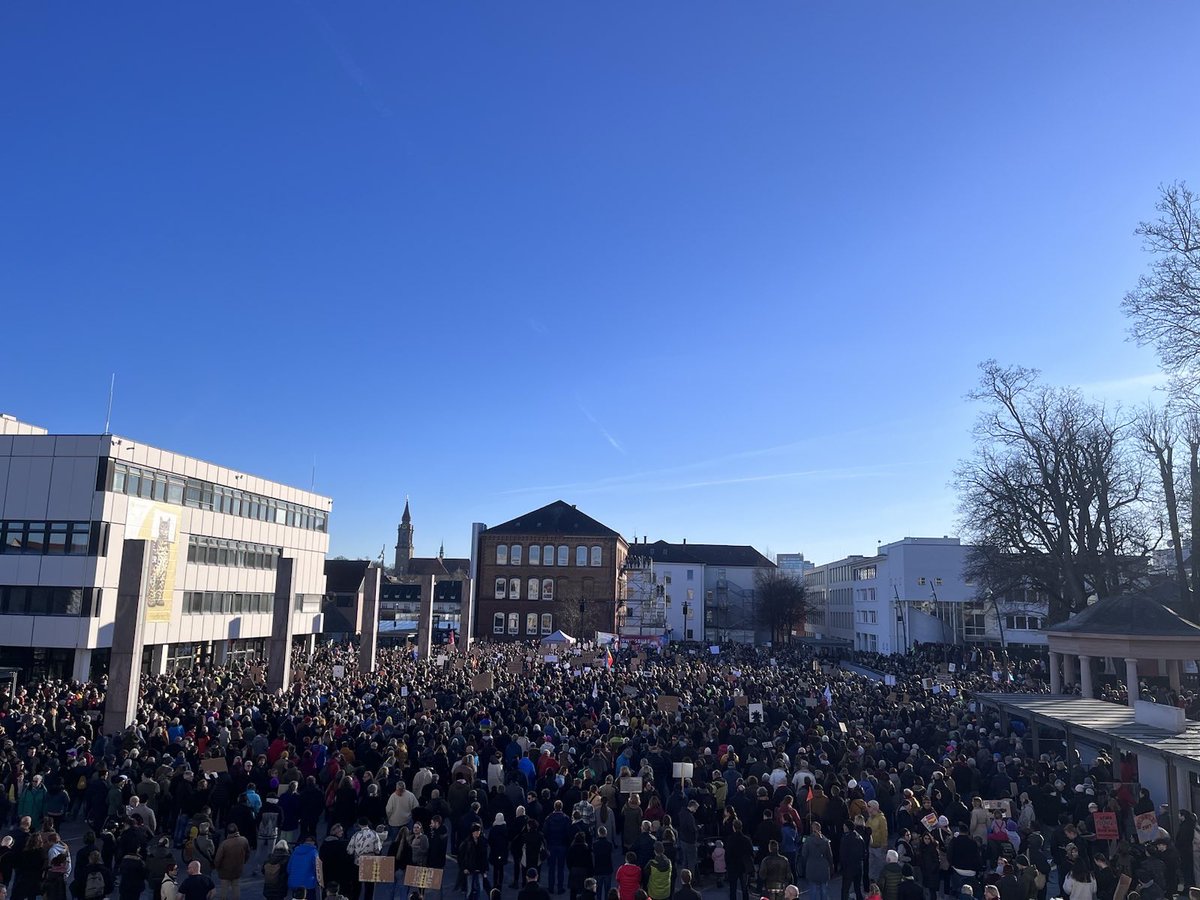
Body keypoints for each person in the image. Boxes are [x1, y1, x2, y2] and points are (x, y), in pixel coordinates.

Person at [213, 825, 250, 900]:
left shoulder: (224, 844)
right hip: (238, 869)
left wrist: (217, 867)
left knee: (224, 889)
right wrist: (243, 862)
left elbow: (217, 859)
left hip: (225, 870)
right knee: (236, 886)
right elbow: (248, 853)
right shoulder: (244, 840)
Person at [803, 822, 834, 900]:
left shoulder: (808, 841)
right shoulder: (825, 841)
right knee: (824, 890)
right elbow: (830, 856)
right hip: (823, 867)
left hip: (811, 866)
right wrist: (831, 866)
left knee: (813, 890)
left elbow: (804, 854)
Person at [567, 833, 593, 900]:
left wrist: (571, 868)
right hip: (583, 871)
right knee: (583, 890)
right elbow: (589, 862)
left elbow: (568, 860)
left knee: (573, 891)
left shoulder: (571, 848)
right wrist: (590, 873)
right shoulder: (586, 849)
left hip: (574, 870)